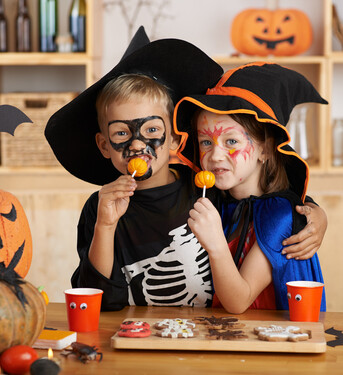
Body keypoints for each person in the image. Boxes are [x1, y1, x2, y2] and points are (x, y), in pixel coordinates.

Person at [45, 28, 327, 311]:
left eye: (151, 130)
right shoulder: (101, 208)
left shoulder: (206, 189)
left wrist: (312, 213)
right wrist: (105, 226)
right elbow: (97, 303)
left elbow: (264, 203)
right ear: (104, 145)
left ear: (175, 140)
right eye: (121, 134)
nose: (137, 145)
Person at [173, 62, 327, 314]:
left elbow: (238, 301)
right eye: (205, 142)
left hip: (272, 344)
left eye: (231, 141)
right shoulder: (217, 202)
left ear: (265, 149)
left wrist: (216, 245)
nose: (215, 155)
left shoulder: (280, 215)